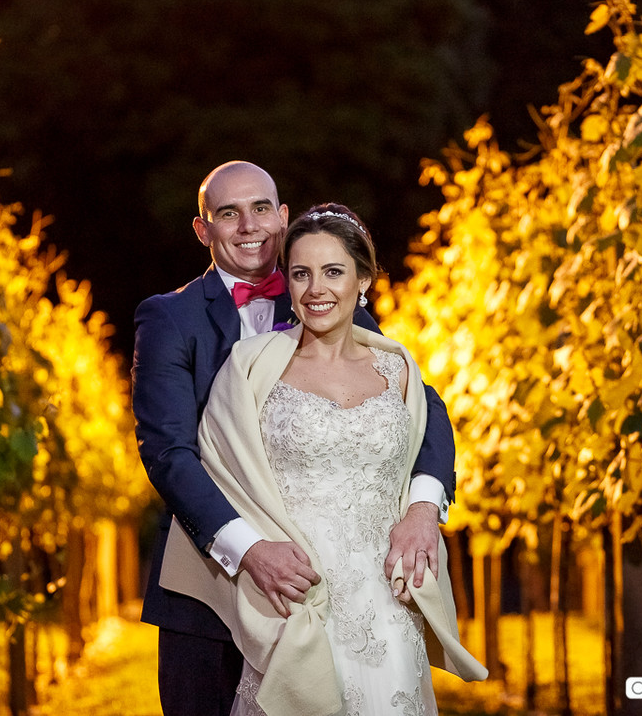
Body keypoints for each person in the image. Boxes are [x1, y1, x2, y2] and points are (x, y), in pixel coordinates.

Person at [132, 162, 458, 716]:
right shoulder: (169, 317)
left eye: (261, 208)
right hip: (210, 586)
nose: (248, 225)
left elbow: (420, 408)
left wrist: (423, 509)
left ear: (282, 217)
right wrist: (250, 551)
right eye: (227, 213)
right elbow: (170, 455)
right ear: (202, 228)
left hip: (335, 589)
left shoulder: (326, 293)